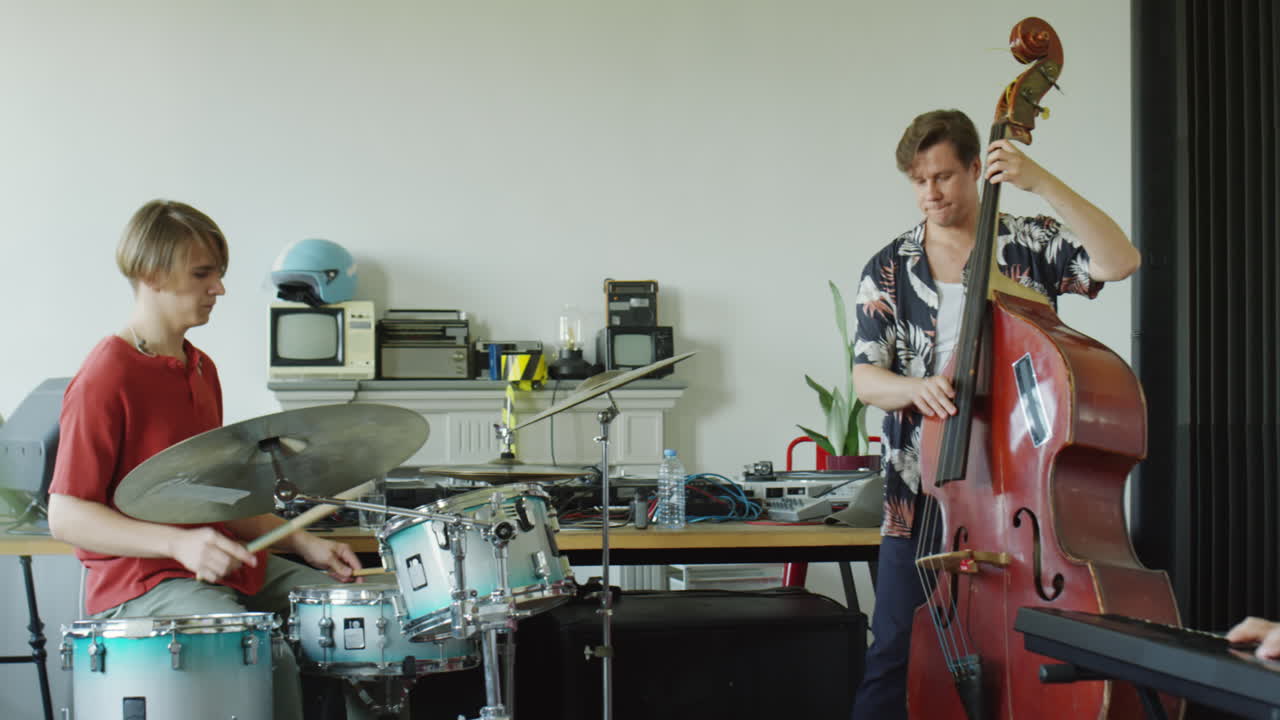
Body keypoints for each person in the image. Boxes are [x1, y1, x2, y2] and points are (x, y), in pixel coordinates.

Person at [848, 109, 1141, 720]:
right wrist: (916, 388)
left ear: (979, 168)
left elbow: (1119, 262)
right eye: (919, 181)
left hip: (1018, 490)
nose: (930, 193)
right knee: (894, 653)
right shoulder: (888, 267)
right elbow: (866, 379)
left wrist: (1042, 182)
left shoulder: (1028, 242)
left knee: (1028, 652)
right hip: (922, 494)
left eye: (943, 177)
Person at [47, 199, 365, 720]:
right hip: (143, 585)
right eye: (202, 274)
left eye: (218, 273)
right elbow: (66, 516)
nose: (219, 288)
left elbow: (217, 501)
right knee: (265, 656)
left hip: (222, 569)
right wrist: (178, 543)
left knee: (352, 618)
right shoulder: (107, 375)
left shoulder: (200, 368)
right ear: (152, 274)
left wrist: (305, 542)